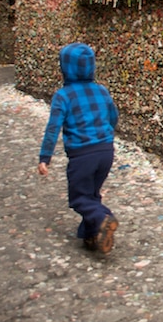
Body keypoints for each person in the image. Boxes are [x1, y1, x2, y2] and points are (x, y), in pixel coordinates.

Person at [37, 43, 120, 254]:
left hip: (82, 155)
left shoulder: (63, 96)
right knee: (92, 194)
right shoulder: (102, 90)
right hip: (106, 152)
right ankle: (91, 236)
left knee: (79, 198)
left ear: (65, 67)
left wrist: (45, 157)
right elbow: (113, 117)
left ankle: (103, 218)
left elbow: (53, 128)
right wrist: (105, 134)